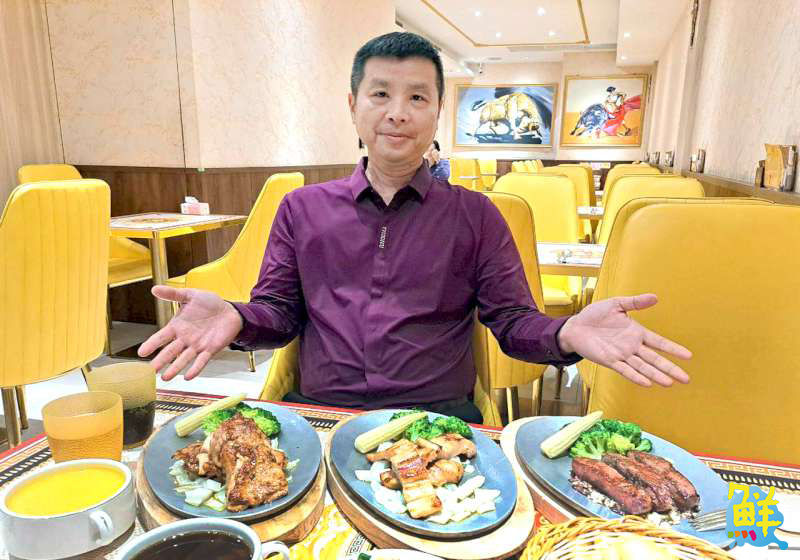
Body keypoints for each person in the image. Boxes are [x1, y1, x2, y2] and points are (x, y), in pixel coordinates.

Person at [139, 32, 691, 423]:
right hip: (321, 415)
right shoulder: (301, 209)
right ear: (353, 105)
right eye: (380, 94)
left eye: (417, 97)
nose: (397, 112)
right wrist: (238, 316)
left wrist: (566, 333)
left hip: (440, 421)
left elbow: (513, 323)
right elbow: (279, 316)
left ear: (437, 112)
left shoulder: (477, 215)